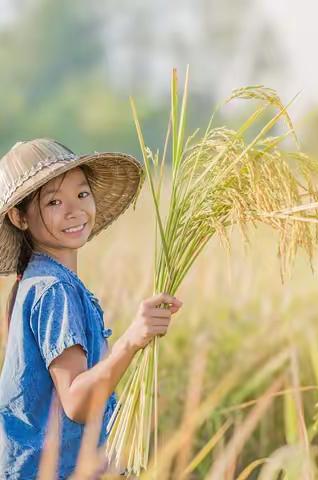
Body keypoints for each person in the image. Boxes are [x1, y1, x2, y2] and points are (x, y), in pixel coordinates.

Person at [0, 138, 183, 479]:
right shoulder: (54, 290)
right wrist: (132, 339)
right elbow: (78, 402)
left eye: (82, 194)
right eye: (54, 201)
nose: (74, 210)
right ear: (19, 218)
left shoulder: (36, 282)